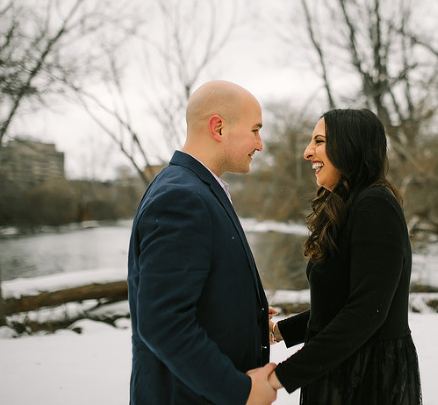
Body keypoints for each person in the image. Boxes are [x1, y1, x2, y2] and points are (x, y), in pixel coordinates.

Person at [128, 80, 277, 405]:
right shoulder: (182, 198)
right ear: (218, 127)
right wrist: (241, 392)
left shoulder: (195, 188)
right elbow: (164, 323)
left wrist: (247, 320)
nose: (260, 143)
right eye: (255, 130)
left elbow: (195, 296)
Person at [267, 108, 422, 404]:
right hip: (344, 370)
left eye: (319, 141)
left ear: (349, 145)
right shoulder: (351, 206)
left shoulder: (375, 206)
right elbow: (340, 306)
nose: (307, 152)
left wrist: (280, 378)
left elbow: (367, 313)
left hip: (367, 382)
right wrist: (280, 331)